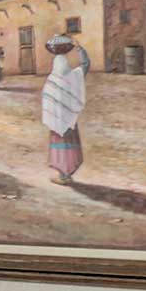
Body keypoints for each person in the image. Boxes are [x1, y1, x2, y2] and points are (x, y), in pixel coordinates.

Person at [42, 37, 88, 182]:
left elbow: (48, 98)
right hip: (68, 120)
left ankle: (64, 175)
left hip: (58, 119)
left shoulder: (53, 78)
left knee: (60, 144)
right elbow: (86, 64)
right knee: (68, 142)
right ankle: (66, 174)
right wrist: (80, 50)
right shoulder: (72, 76)